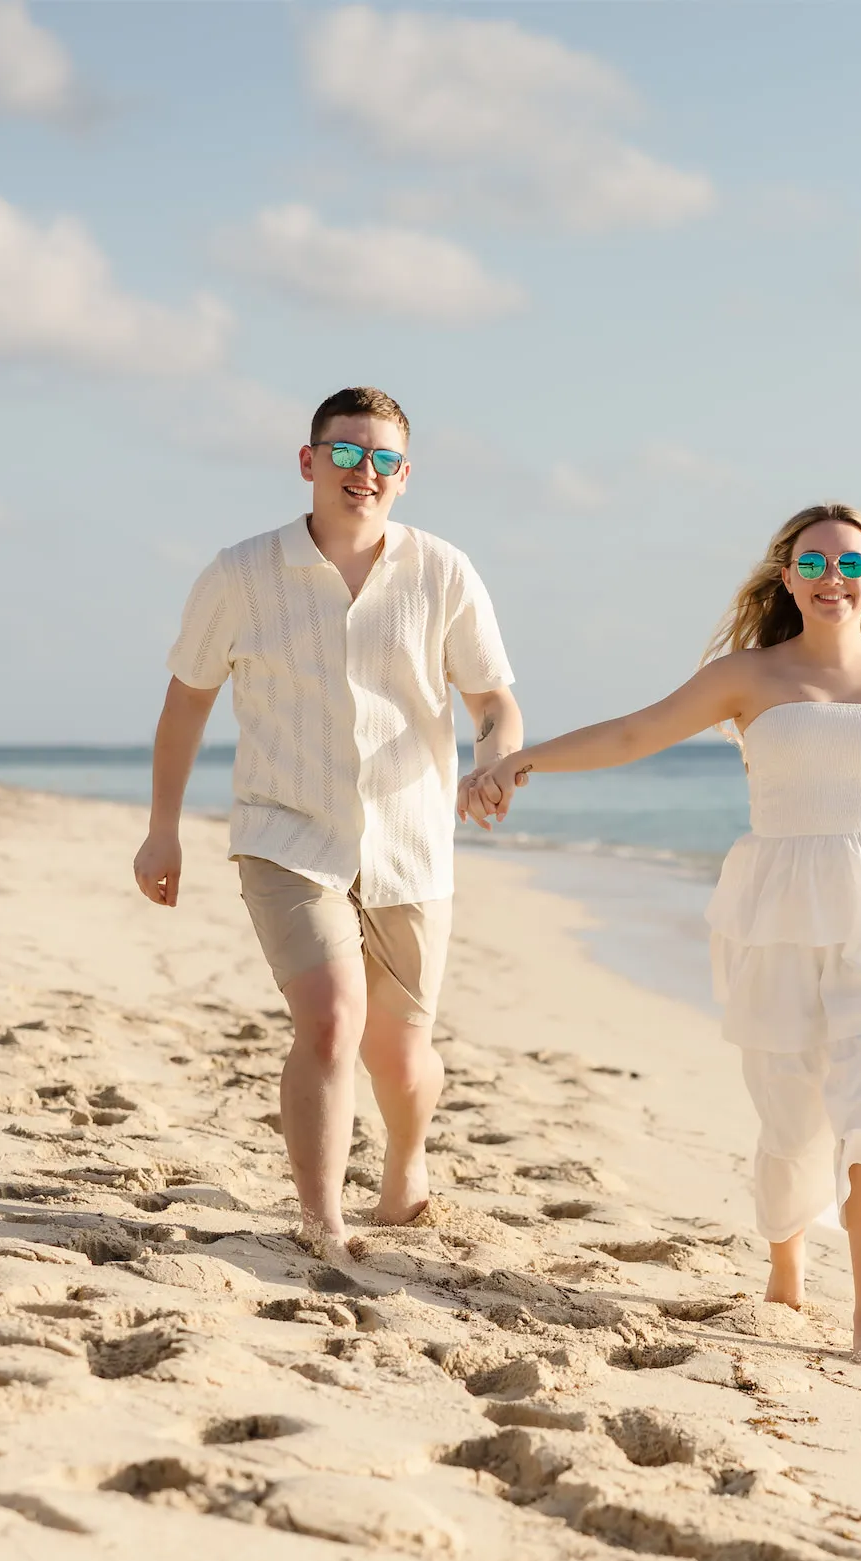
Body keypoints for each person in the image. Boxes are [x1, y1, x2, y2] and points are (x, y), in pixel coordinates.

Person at [468, 504, 861, 1364]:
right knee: (791, 1120)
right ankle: (785, 1274)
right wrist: (521, 761)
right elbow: (636, 733)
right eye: (815, 563)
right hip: (780, 911)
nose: (834, 578)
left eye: (851, 565)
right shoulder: (747, 676)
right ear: (787, 576)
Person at [133, 386, 521, 1267]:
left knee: (401, 1050)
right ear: (309, 462)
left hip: (411, 842)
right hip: (286, 833)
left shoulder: (443, 572)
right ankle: (320, 1219)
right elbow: (186, 703)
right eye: (346, 454)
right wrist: (163, 829)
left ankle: (405, 1168)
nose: (364, 473)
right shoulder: (239, 575)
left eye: (383, 459)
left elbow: (495, 703)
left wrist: (494, 757)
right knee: (333, 1021)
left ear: (406, 476)